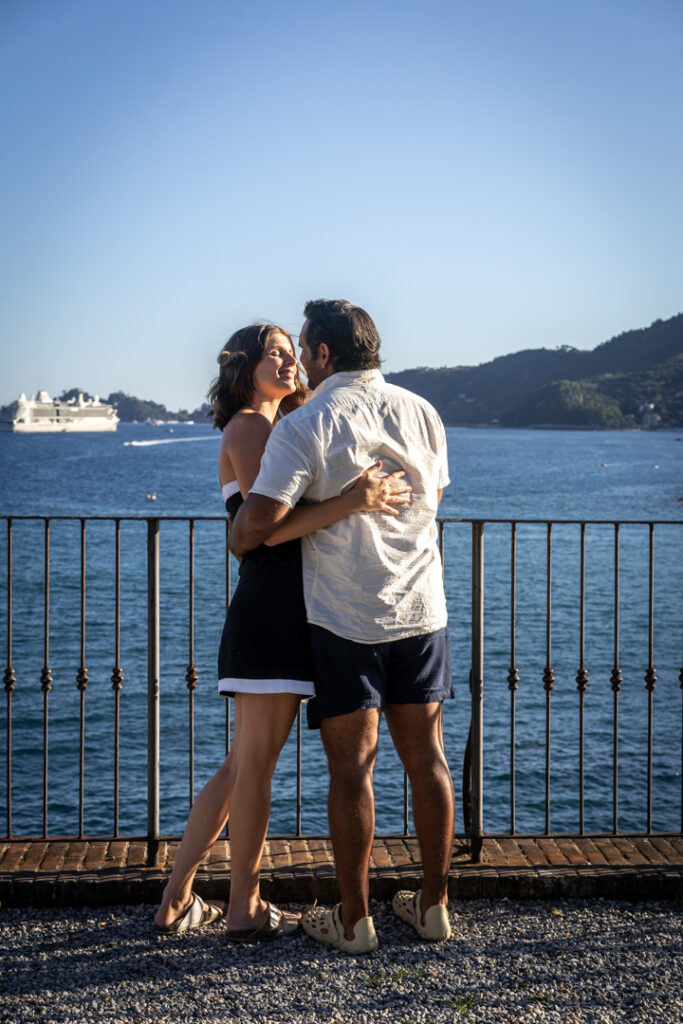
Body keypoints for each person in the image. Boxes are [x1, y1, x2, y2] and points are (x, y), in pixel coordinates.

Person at [153, 322, 410, 941]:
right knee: (254, 768)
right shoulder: (250, 426)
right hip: (271, 612)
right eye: (276, 352)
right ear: (244, 363)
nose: (290, 361)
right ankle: (243, 906)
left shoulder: (281, 428)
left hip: (285, 613)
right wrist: (354, 501)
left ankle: (175, 899)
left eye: (294, 353)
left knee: (241, 767)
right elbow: (261, 530)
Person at [230, 300, 455, 954]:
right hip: (421, 610)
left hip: (346, 618)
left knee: (351, 769)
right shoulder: (423, 411)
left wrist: (329, 507)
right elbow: (431, 501)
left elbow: (251, 529)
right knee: (426, 760)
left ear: (324, 354)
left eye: (303, 346)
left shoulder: (306, 425)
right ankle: (434, 906)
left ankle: (354, 921)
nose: (298, 358)